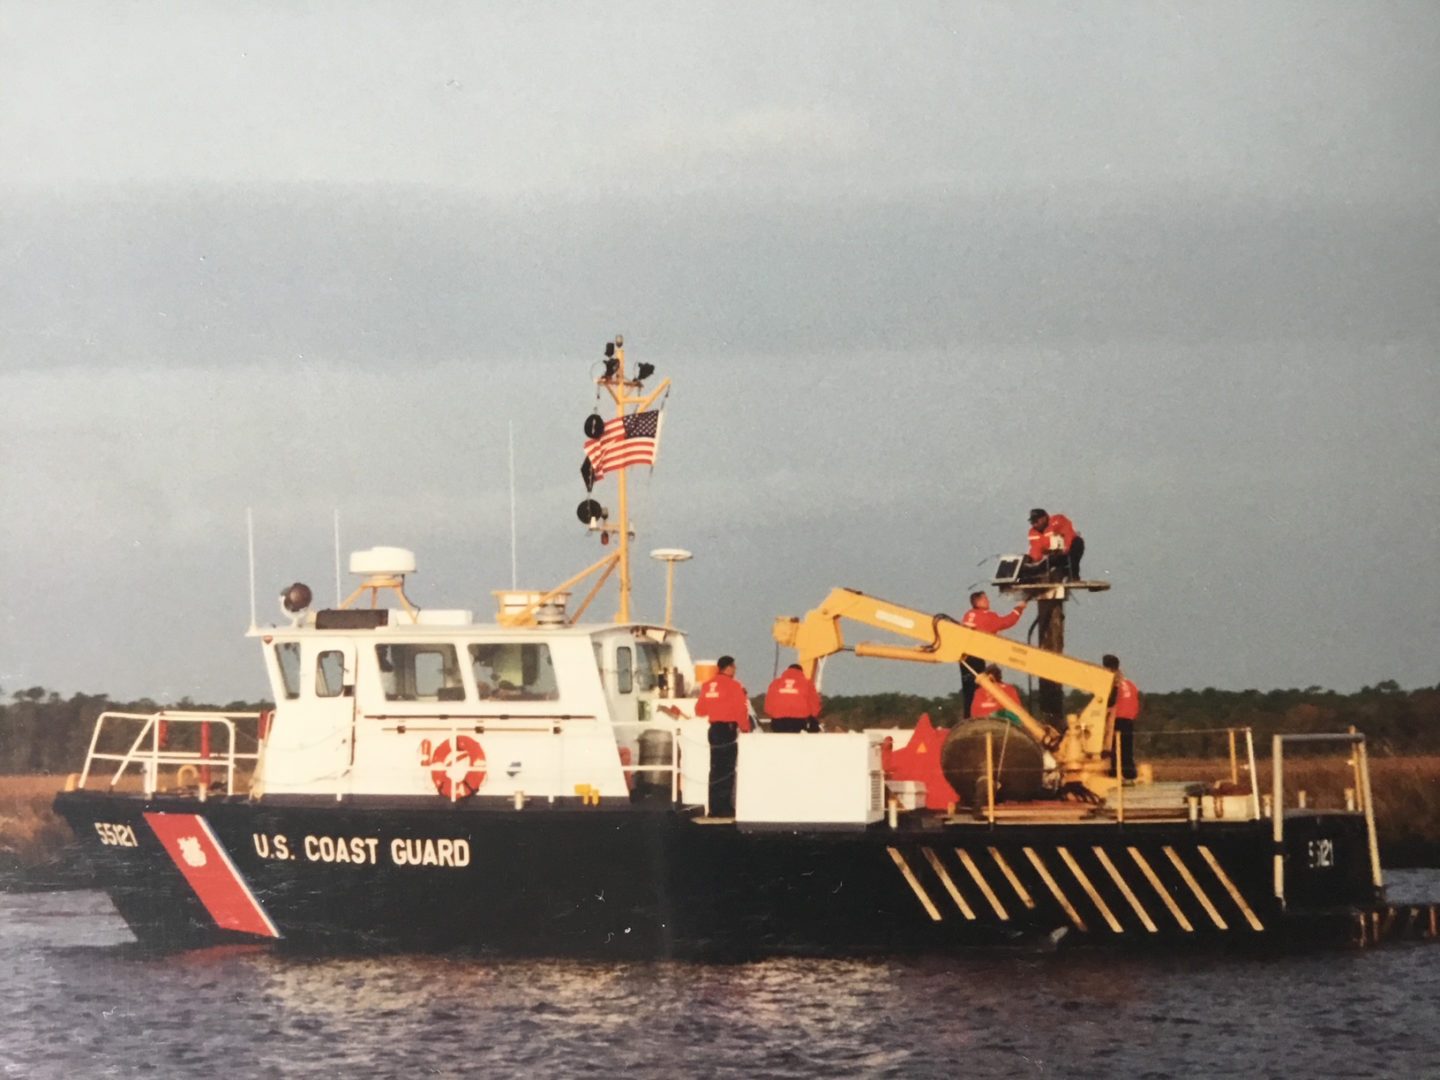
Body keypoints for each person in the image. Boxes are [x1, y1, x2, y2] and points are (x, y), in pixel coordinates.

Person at [695, 655, 751, 816]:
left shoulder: (707, 686)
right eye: (734, 667)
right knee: (727, 770)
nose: (735, 670)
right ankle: (724, 808)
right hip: (727, 730)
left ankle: (713, 808)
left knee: (714, 769)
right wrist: (746, 729)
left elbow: (700, 711)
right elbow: (741, 710)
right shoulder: (734, 686)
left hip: (713, 730)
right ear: (728, 668)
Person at [958, 591, 1028, 718]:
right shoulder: (987, 616)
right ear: (979, 602)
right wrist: (1019, 608)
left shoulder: (968, 615)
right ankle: (975, 718)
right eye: (986, 599)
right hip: (976, 657)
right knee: (979, 688)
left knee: (968, 691)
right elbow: (1007, 621)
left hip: (964, 657)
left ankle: (968, 717)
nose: (989, 601)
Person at [1102, 653, 1141, 781]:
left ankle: (1115, 773)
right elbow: (1135, 701)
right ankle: (1130, 773)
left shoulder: (1112, 683)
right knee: (1126, 749)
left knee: (1114, 749)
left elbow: (1108, 702)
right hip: (1129, 718)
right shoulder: (1130, 684)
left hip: (1118, 718)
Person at [1025, 508, 1085, 581]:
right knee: (1039, 568)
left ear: (1044, 518)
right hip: (1055, 555)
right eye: (1032, 522)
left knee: (1076, 544)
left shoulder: (1058, 520)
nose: (1034, 524)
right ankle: (1028, 579)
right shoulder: (1033, 533)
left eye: (1036, 521)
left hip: (1070, 550)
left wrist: (1066, 547)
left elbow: (1068, 533)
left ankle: (1073, 576)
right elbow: (1036, 549)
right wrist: (1031, 559)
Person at [764, 663, 822, 733]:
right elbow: (815, 703)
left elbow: (768, 705)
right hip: (799, 721)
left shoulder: (775, 683)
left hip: (778, 721)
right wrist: (813, 718)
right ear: (801, 672)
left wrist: (774, 714)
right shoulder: (807, 683)